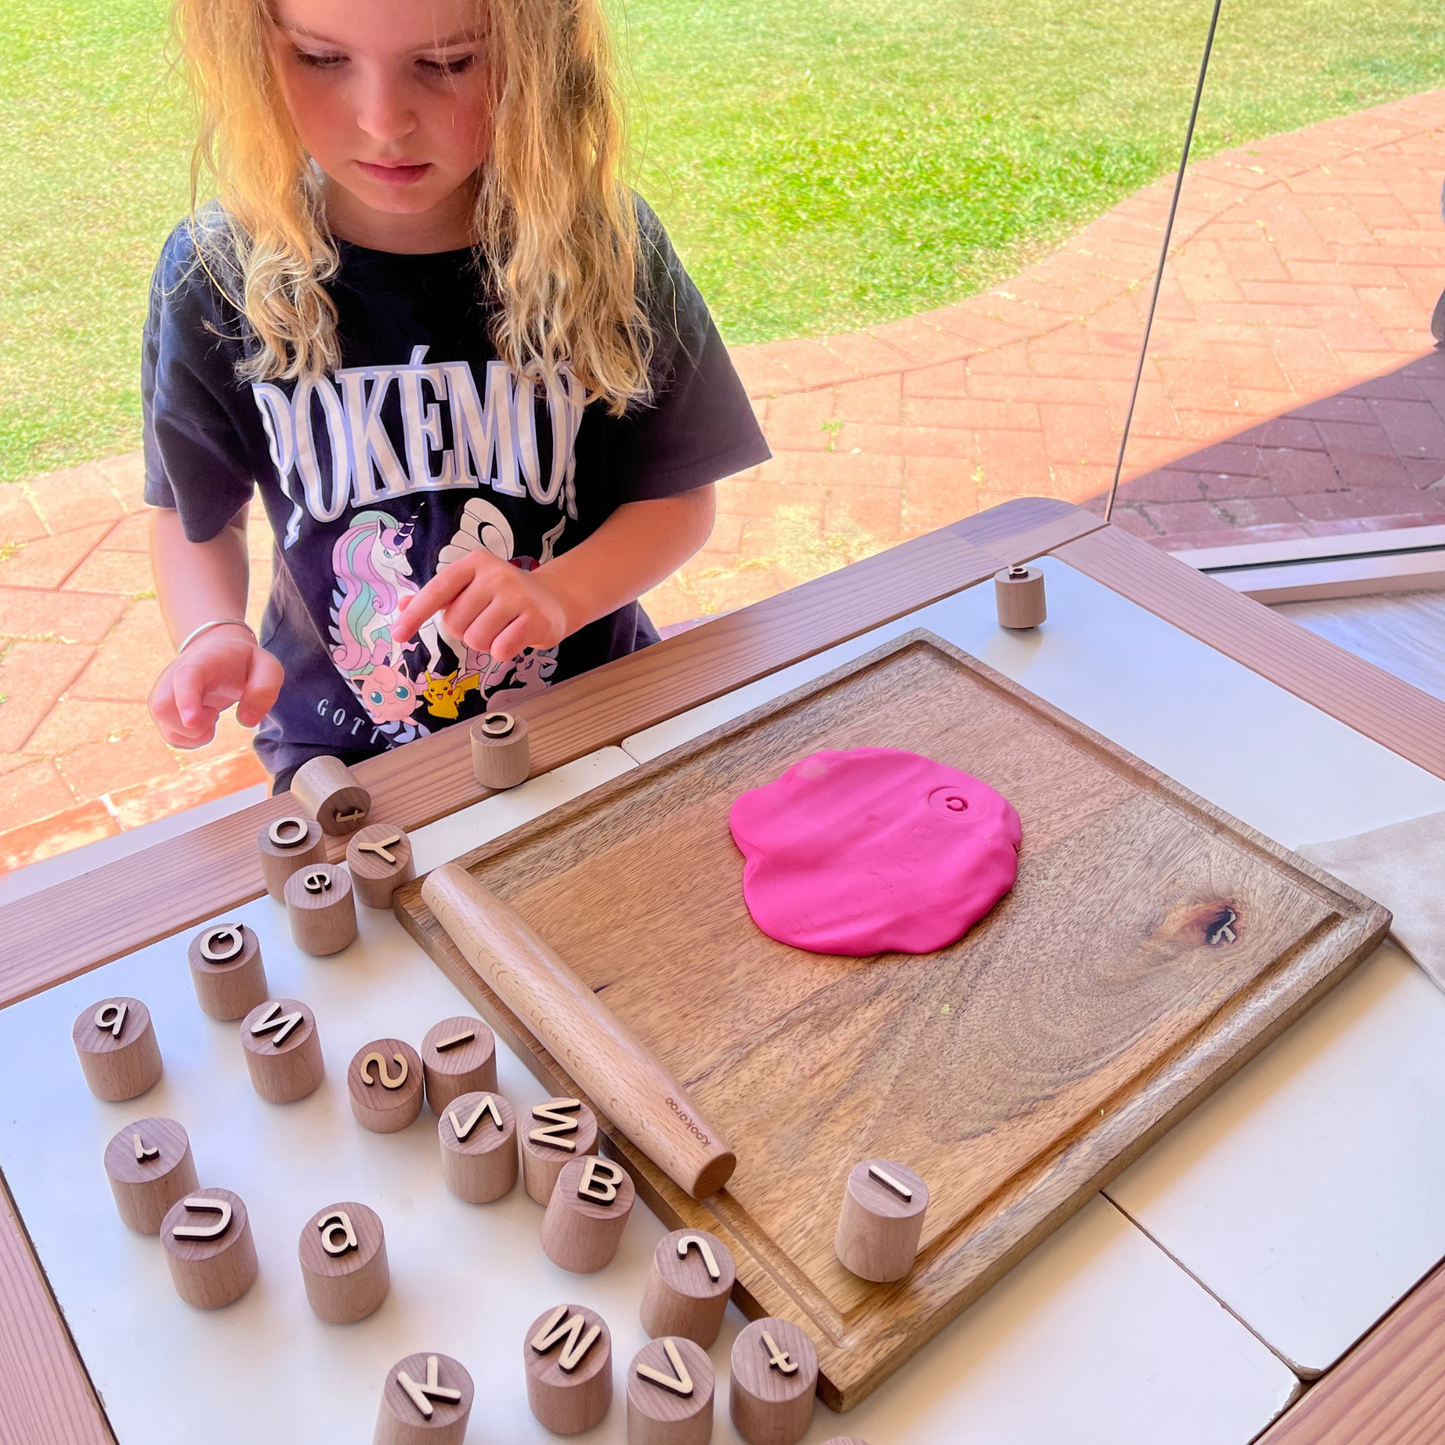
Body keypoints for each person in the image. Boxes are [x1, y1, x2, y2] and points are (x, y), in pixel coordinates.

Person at [143, 0, 769, 790]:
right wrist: (208, 629)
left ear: (538, 56)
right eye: (320, 59)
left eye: (447, 63)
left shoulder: (606, 246)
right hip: (341, 753)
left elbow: (677, 501)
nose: (383, 121)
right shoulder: (215, 271)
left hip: (588, 710)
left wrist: (558, 593)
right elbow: (191, 513)